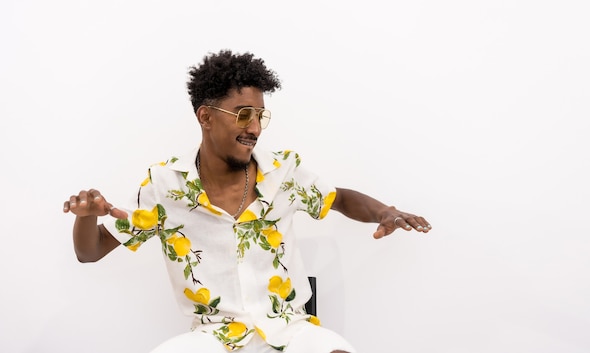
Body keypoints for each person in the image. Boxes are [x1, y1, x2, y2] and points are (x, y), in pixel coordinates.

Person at [63, 49, 432, 353]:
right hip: (213, 339)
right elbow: (90, 251)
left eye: (259, 116)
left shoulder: (282, 173)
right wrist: (85, 216)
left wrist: (385, 211)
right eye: (243, 115)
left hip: (293, 332)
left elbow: (338, 199)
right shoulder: (164, 186)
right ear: (205, 117)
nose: (254, 128)